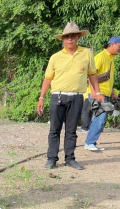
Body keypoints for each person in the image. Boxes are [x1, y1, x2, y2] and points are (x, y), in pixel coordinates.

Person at [36, 22, 104, 170]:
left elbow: (92, 74)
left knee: (71, 130)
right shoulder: (55, 57)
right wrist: (41, 98)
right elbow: (47, 78)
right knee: (54, 129)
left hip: (76, 97)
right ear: (62, 39)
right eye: (66, 37)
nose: (70, 39)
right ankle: (52, 159)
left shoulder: (86, 53)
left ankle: (70, 158)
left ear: (78, 36)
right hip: (57, 97)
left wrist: (97, 92)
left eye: (73, 36)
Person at [83, 36, 120, 151]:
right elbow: (90, 75)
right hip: (98, 93)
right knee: (101, 116)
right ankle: (89, 143)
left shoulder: (111, 59)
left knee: (100, 118)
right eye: (119, 46)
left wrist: (113, 93)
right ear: (113, 44)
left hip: (105, 93)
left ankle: (91, 142)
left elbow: (107, 79)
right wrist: (94, 92)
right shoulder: (100, 57)